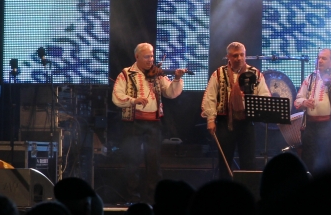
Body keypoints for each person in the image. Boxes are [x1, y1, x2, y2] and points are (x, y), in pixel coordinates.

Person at [111, 43, 186, 202]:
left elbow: (170, 93)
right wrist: (133, 100)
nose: (150, 60)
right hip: (133, 123)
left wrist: (177, 79)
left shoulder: (157, 74)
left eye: (152, 56)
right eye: (146, 56)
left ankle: (153, 197)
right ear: (137, 57)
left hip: (153, 123)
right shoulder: (126, 73)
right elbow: (116, 96)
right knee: (132, 160)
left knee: (154, 162)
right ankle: (133, 197)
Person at [201, 42, 270, 179]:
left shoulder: (255, 73)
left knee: (249, 162)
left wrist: (253, 103)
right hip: (225, 123)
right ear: (228, 57)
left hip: (247, 123)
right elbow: (210, 97)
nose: (239, 58)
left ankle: (248, 189)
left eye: (242, 55)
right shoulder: (219, 73)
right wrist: (210, 120)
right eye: (235, 55)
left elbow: (265, 96)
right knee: (225, 162)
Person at [293, 48, 331, 173]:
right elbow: (298, 99)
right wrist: (304, 102)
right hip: (310, 126)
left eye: (324, 58)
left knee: (329, 162)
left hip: (330, 126)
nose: (320, 61)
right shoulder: (311, 78)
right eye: (318, 58)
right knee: (308, 160)